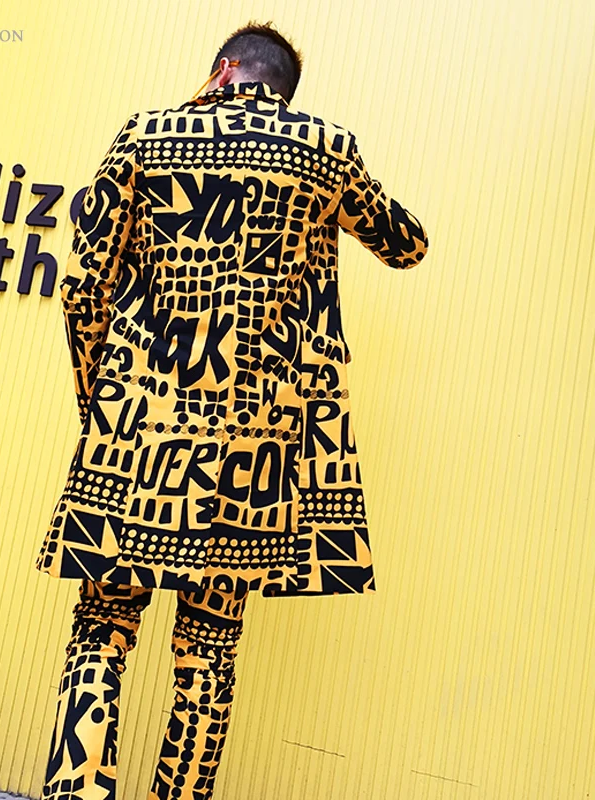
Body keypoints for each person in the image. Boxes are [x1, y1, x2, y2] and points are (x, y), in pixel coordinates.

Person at [35, 20, 429, 800]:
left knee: (101, 630)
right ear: (282, 88)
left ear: (223, 71)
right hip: (252, 448)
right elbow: (407, 245)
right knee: (208, 649)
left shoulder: (147, 135)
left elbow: (83, 289)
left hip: (134, 432)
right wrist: (331, 190)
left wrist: (96, 403)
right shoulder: (325, 150)